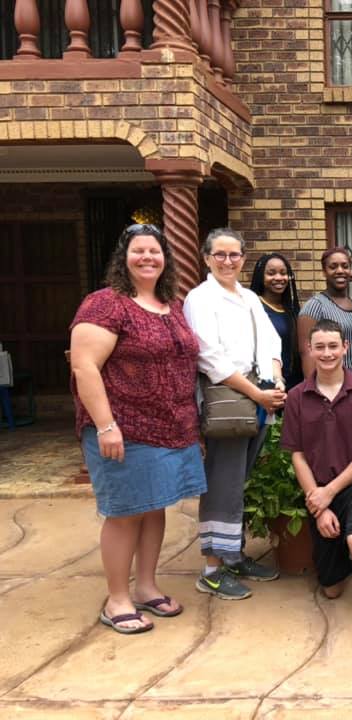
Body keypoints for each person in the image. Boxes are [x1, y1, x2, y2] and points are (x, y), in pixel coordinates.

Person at [70, 223, 207, 634]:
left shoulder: (171, 304)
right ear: (123, 257)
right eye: (138, 251)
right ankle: (117, 600)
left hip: (172, 427)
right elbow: (84, 366)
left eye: (155, 251)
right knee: (125, 513)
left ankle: (146, 586)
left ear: (166, 259)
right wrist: (106, 425)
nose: (147, 257)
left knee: (154, 507)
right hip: (124, 429)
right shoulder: (106, 304)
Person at [184, 227, 287, 600]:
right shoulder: (200, 298)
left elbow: (272, 341)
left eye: (235, 255)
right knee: (221, 484)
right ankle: (212, 569)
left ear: (243, 259)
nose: (228, 261)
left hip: (259, 399)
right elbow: (209, 356)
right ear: (206, 258)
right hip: (230, 401)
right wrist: (257, 393)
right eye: (220, 255)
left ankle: (233, 554)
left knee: (239, 483)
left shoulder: (247, 297)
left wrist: (274, 380)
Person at [281, 319, 352, 621]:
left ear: (346, 347)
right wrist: (318, 505)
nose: (327, 353)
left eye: (333, 346)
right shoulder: (297, 397)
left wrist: (330, 493)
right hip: (318, 487)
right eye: (320, 347)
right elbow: (298, 455)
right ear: (309, 349)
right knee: (331, 589)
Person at [299, 247, 352, 378]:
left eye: (345, 266)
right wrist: (314, 390)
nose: (340, 271)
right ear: (324, 272)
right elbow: (307, 353)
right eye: (333, 267)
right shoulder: (315, 306)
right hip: (331, 382)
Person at [250, 252, 303, 390]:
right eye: (271, 273)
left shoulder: (293, 309)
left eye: (283, 273)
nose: (279, 278)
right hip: (266, 383)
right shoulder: (254, 308)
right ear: (261, 276)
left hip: (294, 383)